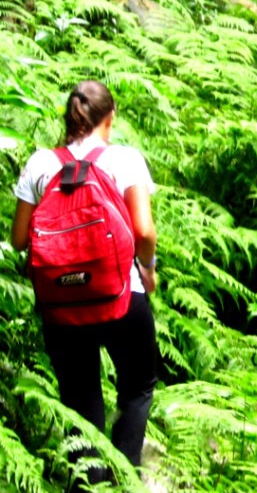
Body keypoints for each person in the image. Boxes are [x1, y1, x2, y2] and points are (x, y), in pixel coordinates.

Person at [10, 80, 159, 489]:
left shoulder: (41, 163)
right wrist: (147, 267)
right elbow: (144, 231)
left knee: (79, 400)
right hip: (121, 294)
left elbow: (19, 239)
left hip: (61, 303)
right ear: (109, 119)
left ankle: (88, 484)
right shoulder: (125, 159)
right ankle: (126, 476)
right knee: (138, 387)